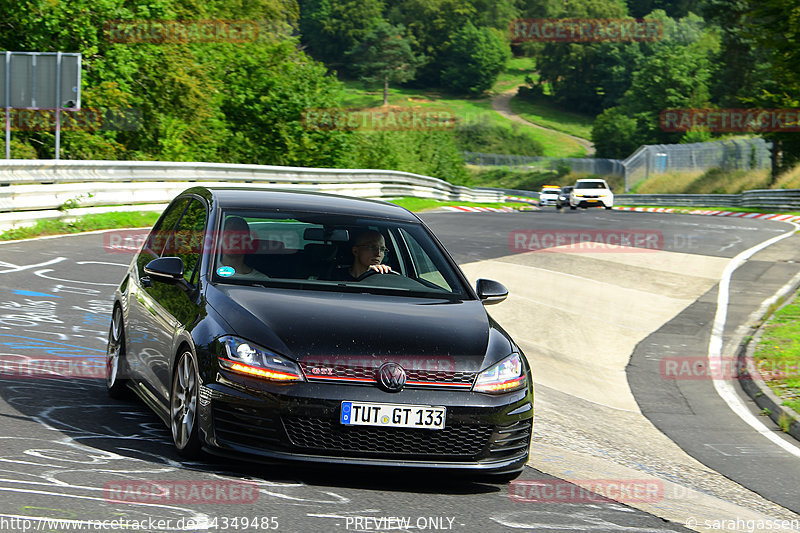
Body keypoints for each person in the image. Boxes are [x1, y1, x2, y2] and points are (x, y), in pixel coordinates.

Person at [329, 229, 394, 281]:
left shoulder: (385, 279)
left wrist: (384, 274)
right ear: (356, 251)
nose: (378, 254)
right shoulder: (334, 277)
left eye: (382, 249)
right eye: (372, 247)